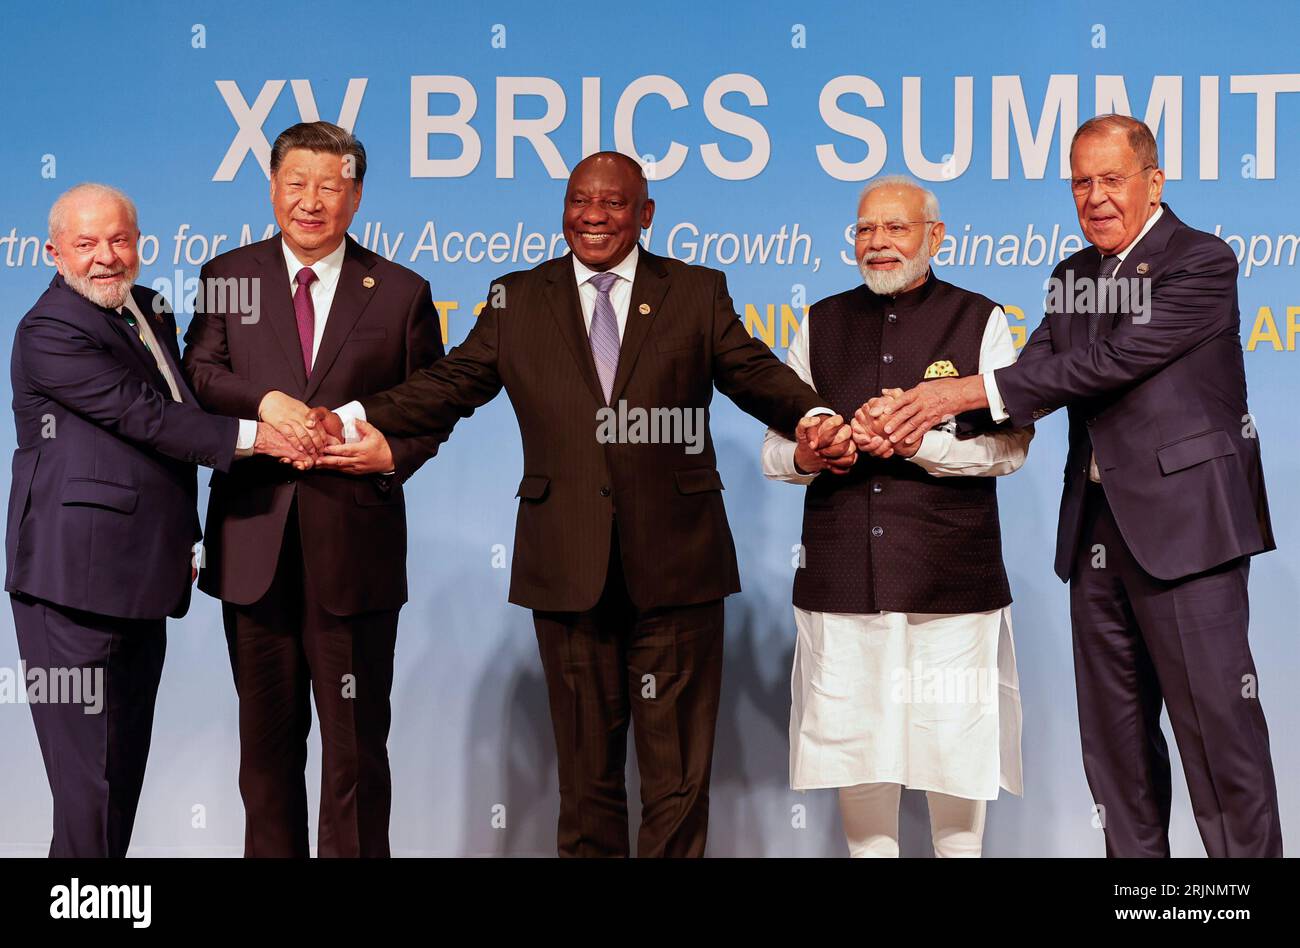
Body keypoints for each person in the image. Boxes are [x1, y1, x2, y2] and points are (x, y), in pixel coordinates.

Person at [311, 151, 853, 857]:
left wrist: (812, 415)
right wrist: (352, 415)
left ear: (646, 214)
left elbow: (752, 372)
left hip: (679, 567)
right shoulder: (518, 297)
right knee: (585, 779)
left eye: (613, 204)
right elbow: (448, 386)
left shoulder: (695, 291)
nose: (592, 216)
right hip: (565, 567)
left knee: (678, 781)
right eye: (578, 201)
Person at [867, 115, 1281, 857]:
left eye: (1111, 179)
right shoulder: (1072, 277)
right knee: (1115, 751)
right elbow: (1030, 382)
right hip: (1095, 538)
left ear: (1153, 182)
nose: (1095, 197)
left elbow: (1109, 363)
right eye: (1081, 182)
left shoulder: (1201, 261)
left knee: (1221, 745)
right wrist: (908, 424)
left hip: (1188, 535)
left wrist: (956, 392)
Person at [7, 183, 304, 857]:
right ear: (53, 253)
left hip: (142, 579)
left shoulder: (149, 307)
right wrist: (263, 435)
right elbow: (143, 416)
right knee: (89, 795)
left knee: (115, 788)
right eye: (86, 245)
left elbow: (181, 400)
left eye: (119, 240)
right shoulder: (49, 329)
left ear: (140, 245)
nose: (106, 257)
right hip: (71, 587)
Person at [181, 121, 446, 857]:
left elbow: (432, 402)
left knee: (356, 754)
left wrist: (389, 454)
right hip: (253, 548)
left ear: (355, 196)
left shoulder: (400, 292)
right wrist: (264, 402)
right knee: (265, 757)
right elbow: (197, 376)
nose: (310, 201)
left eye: (330, 187)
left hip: (354, 555)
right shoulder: (226, 273)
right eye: (296, 184)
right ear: (272, 187)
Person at [764, 176, 1030, 857]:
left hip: (953, 589)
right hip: (843, 583)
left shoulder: (980, 320)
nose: (877, 242)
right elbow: (775, 451)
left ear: (935, 237)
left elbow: (1011, 450)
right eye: (864, 229)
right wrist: (814, 452)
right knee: (858, 757)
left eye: (895, 228)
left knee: (957, 754)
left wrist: (924, 444)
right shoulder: (819, 322)